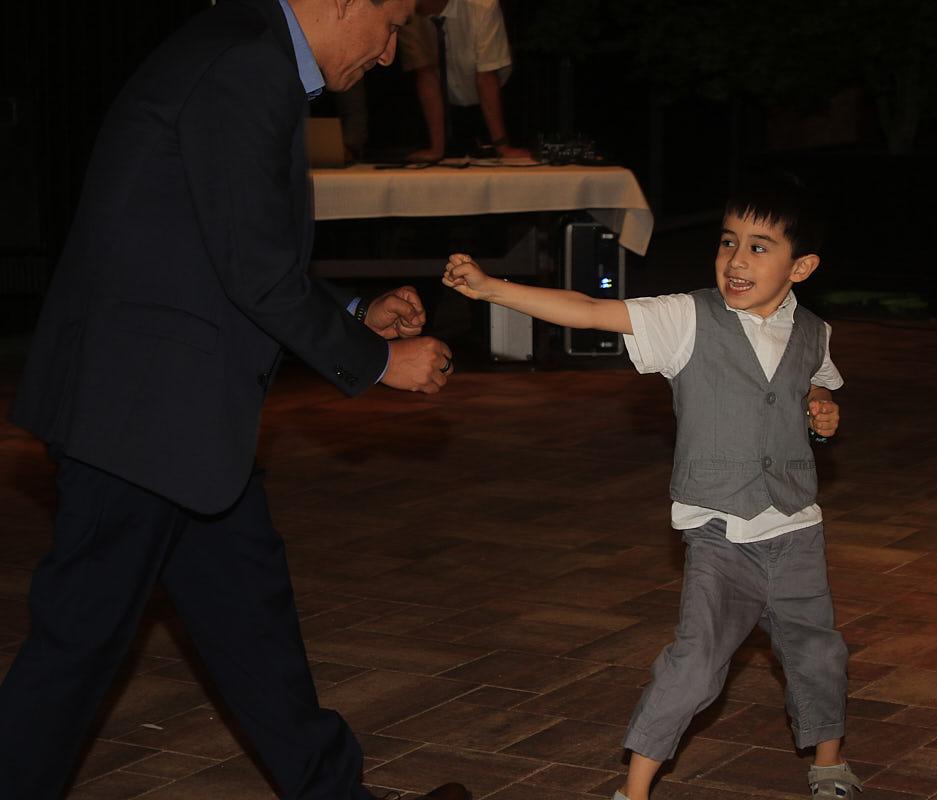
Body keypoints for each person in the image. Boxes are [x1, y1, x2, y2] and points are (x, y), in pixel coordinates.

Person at [0, 1, 469, 799]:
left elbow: (220, 249)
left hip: (178, 414)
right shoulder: (247, 64)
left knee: (251, 623)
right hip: (139, 416)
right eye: (391, 24)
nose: (391, 53)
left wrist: (355, 313)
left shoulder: (248, 52)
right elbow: (254, 269)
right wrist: (378, 362)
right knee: (76, 647)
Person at [442, 180, 862, 800]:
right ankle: (634, 790)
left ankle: (828, 763)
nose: (735, 260)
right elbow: (589, 310)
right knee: (696, 663)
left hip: (796, 528)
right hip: (720, 532)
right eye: (727, 242)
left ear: (800, 267)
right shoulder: (686, 318)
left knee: (819, 653)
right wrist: (491, 289)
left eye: (758, 247)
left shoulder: (814, 332)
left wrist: (821, 408)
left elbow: (817, 381)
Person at [399, 0, 530, 160]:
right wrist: (437, 149)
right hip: (442, 112)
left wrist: (502, 146)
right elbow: (425, 73)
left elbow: (486, 77)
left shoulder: (482, 5)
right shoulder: (403, 9)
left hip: (492, 104)